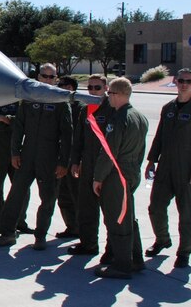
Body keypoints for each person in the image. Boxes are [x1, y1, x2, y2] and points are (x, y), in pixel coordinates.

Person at [0, 64, 72, 251]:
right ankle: (7, 233)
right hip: (27, 156)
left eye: (52, 77)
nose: (48, 80)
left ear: (56, 79)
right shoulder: (27, 100)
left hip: (49, 158)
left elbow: (68, 136)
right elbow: (18, 128)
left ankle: (41, 236)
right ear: (38, 77)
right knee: (16, 194)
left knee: (48, 198)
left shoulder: (61, 102)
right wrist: (15, 153)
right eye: (44, 76)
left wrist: (63, 162)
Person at [144, 68, 191, 269]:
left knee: (188, 215)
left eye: (188, 81)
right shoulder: (168, 108)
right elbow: (159, 136)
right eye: (181, 80)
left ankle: (184, 252)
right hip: (165, 167)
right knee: (155, 207)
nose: (184, 84)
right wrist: (151, 160)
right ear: (175, 82)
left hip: (188, 170)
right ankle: (162, 240)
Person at [93, 77, 148, 279]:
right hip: (131, 172)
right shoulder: (139, 117)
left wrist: (98, 177)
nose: (109, 98)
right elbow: (141, 150)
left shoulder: (118, 119)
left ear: (117, 94)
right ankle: (135, 258)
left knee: (117, 219)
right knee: (128, 216)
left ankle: (122, 264)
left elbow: (109, 152)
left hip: (116, 175)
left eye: (110, 94)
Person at [68, 74, 113, 257]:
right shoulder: (85, 109)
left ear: (106, 88)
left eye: (97, 88)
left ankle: (112, 248)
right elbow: (78, 138)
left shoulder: (112, 110)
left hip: (105, 166)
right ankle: (88, 244)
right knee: (86, 207)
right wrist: (75, 162)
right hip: (87, 165)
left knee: (109, 210)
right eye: (90, 88)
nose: (93, 91)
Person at [0, 102, 33, 233]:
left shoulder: (17, 103)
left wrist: (4, 118)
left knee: (22, 187)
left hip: (16, 148)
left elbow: (24, 122)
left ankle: (20, 221)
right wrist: (9, 120)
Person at [55, 76, 84, 239]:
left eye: (66, 86)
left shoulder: (80, 107)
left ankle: (82, 228)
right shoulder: (59, 105)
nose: (63, 89)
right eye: (60, 86)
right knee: (63, 195)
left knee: (77, 195)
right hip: (61, 157)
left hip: (74, 158)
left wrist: (78, 160)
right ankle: (72, 227)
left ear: (73, 88)